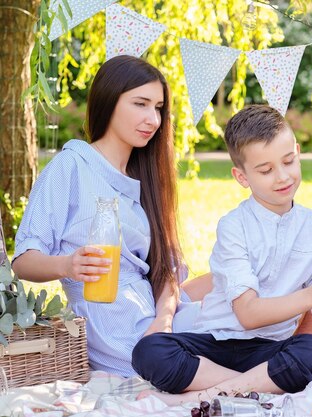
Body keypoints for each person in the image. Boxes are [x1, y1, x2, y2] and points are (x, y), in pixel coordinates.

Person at [132, 105, 312, 404]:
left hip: (269, 349)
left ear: (298, 152)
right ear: (241, 176)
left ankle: (205, 395)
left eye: (289, 161)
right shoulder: (234, 226)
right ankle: (248, 388)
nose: (282, 177)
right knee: (150, 351)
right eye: (265, 170)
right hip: (215, 344)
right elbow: (248, 314)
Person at [11, 55, 209, 377]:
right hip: (113, 326)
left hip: (155, 317)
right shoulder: (71, 166)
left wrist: (163, 322)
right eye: (140, 104)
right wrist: (68, 264)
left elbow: (167, 274)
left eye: (158, 108)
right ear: (109, 101)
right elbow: (23, 260)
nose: (153, 119)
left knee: (240, 287)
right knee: (239, 332)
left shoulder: (148, 179)